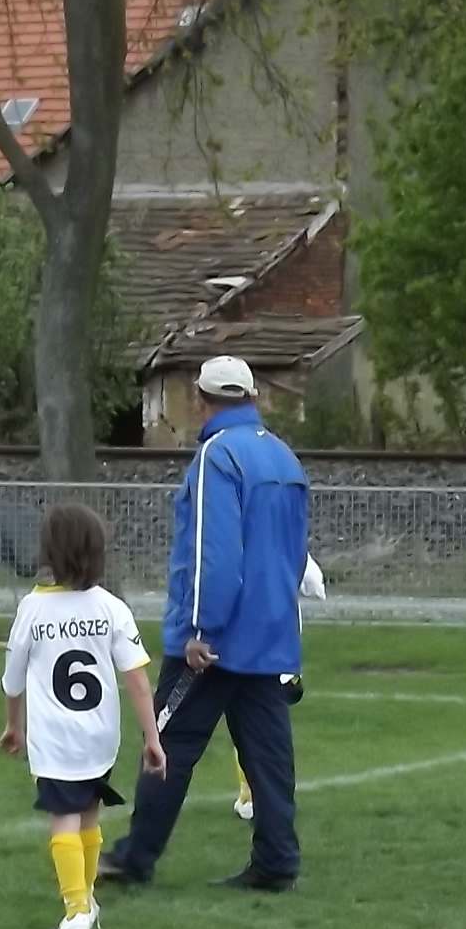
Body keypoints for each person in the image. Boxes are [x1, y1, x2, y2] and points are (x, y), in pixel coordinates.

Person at [99, 355, 311, 892]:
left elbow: (212, 551)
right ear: (253, 396)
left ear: (201, 400)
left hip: (216, 639)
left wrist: (202, 628)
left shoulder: (218, 456)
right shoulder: (283, 456)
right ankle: (277, 861)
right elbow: (294, 553)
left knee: (168, 741)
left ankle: (136, 857)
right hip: (269, 632)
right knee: (268, 755)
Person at [0, 504, 167, 929]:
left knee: (63, 819)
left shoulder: (32, 609)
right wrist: (152, 738)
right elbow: (138, 680)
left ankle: (75, 912)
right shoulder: (111, 607)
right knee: (89, 815)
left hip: (55, 740)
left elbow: (12, 679)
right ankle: (87, 899)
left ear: (49, 552)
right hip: (100, 736)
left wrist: (13, 726)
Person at [235, 555, 327, 824]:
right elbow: (315, 585)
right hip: (286, 660)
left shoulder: (235, 547)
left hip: (255, 660)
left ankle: (253, 797)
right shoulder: (289, 545)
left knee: (249, 728)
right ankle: (274, 797)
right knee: (272, 733)